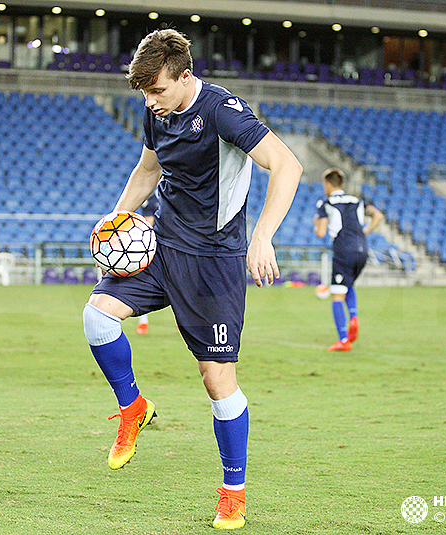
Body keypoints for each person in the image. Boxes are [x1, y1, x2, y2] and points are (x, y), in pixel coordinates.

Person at [82, 29, 302, 530]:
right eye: (143, 92)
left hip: (213, 261)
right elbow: (147, 169)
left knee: (216, 380)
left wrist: (263, 235)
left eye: (157, 90)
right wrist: (114, 224)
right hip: (161, 246)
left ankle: (233, 491)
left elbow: (287, 165)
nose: (150, 101)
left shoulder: (223, 111)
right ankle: (133, 406)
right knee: (97, 319)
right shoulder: (154, 108)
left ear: (186, 76)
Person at [314, 168, 385, 351]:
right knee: (348, 284)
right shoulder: (357, 200)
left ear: (328, 184)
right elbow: (378, 215)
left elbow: (321, 233)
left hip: (343, 250)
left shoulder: (325, 202)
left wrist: (316, 224)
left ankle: (343, 340)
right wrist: (364, 232)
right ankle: (353, 316)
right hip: (362, 249)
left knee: (337, 295)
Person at [135, 191, 158, 334]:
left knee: (179, 284)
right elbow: (148, 223)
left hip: (174, 245)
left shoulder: (177, 195)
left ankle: (182, 320)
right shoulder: (150, 200)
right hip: (152, 245)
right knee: (144, 283)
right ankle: (143, 322)